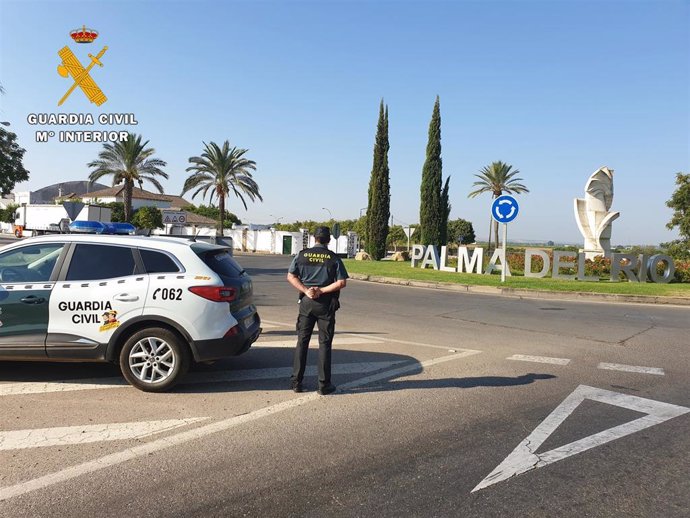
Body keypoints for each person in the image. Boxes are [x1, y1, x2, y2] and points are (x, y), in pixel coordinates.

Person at [287, 226, 348, 395]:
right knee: (325, 344)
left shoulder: (302, 255)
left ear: (314, 238)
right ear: (329, 240)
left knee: (302, 342)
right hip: (325, 304)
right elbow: (341, 282)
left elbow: (291, 276)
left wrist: (306, 290)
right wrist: (321, 290)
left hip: (306, 302)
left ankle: (296, 383)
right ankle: (323, 385)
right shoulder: (333, 258)